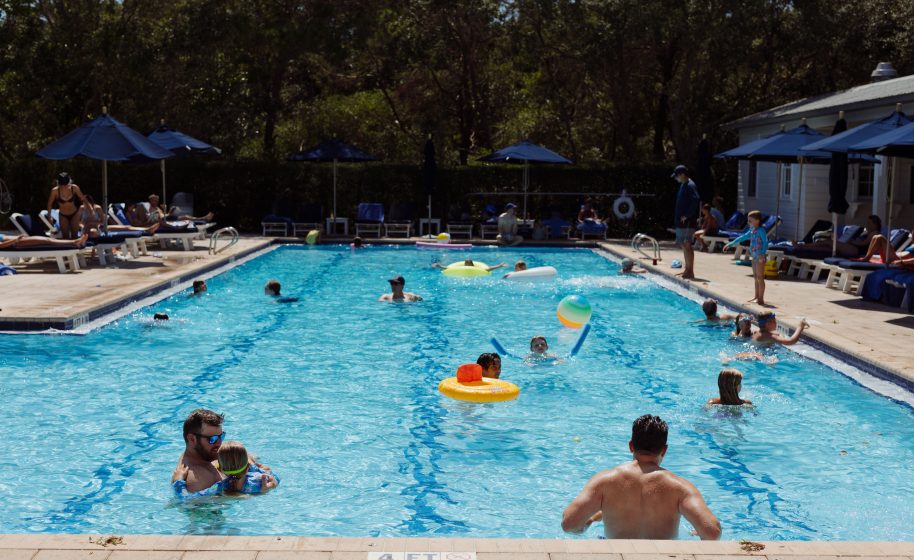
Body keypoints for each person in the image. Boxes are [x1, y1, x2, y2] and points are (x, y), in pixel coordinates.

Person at [561, 414, 721, 540]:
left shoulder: (605, 481)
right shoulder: (680, 487)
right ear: (664, 450)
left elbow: (569, 524)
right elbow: (712, 533)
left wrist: (588, 522)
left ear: (631, 446)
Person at [172, 409, 226, 496]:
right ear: (192, 439)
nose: (219, 443)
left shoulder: (202, 455)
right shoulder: (198, 478)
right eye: (212, 439)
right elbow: (190, 503)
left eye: (221, 436)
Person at [723, 210, 768, 305]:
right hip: (754, 256)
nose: (748, 222)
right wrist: (731, 243)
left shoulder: (761, 230)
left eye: (750, 221)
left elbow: (765, 242)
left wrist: (762, 254)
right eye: (748, 220)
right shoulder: (752, 230)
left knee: (760, 277)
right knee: (756, 277)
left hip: (760, 256)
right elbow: (743, 237)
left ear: (757, 220)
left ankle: (761, 298)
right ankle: (756, 296)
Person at [671, 165, 700, 280]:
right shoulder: (684, 185)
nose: (675, 178)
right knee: (684, 245)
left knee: (687, 245)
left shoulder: (690, 185)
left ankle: (690, 271)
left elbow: (695, 200)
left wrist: (687, 215)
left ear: (683, 174)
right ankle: (687, 269)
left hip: (687, 222)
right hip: (682, 221)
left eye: (677, 176)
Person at [46, 172, 89, 239]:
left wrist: (90, 209)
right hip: (63, 215)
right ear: (59, 184)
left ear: (69, 182)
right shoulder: (55, 191)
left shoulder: (74, 188)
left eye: (65, 184)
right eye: (62, 185)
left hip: (74, 214)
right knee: (65, 237)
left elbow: (83, 199)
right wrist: (49, 217)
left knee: (74, 236)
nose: (64, 186)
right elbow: (49, 204)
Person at [0, 233, 89, 249]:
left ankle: (75, 242)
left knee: (50, 240)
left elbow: (5, 237)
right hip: (16, 244)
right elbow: (1, 245)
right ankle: (74, 242)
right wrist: (16, 239)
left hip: (19, 240)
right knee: (47, 240)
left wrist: (18, 237)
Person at [432, 259, 507, 272]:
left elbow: (489, 269)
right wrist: (439, 266)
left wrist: (499, 265)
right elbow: (448, 268)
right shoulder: (460, 268)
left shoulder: (477, 269)